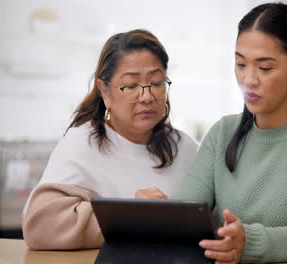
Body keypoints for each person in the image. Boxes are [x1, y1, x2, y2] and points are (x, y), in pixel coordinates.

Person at [173, 3, 287, 263]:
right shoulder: (222, 133)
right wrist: (158, 216)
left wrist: (250, 242)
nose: (249, 80)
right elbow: (184, 217)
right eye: (240, 64)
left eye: (265, 68)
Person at [22, 29, 198, 250]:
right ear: (104, 90)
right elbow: (40, 228)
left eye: (156, 83)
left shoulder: (186, 147)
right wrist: (131, 216)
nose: (147, 96)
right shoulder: (82, 144)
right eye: (131, 86)